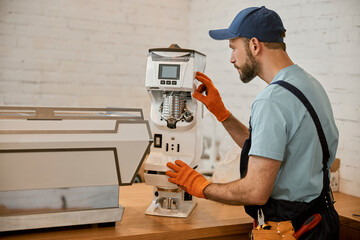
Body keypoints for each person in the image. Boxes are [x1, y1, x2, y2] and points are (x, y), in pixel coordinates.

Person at [165, 6, 339, 240]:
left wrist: (202, 187)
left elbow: (255, 191)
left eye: (233, 48)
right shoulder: (309, 84)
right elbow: (269, 148)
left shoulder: (272, 100)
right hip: (322, 219)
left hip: (295, 229)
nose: (231, 59)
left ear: (255, 45)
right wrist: (222, 113)